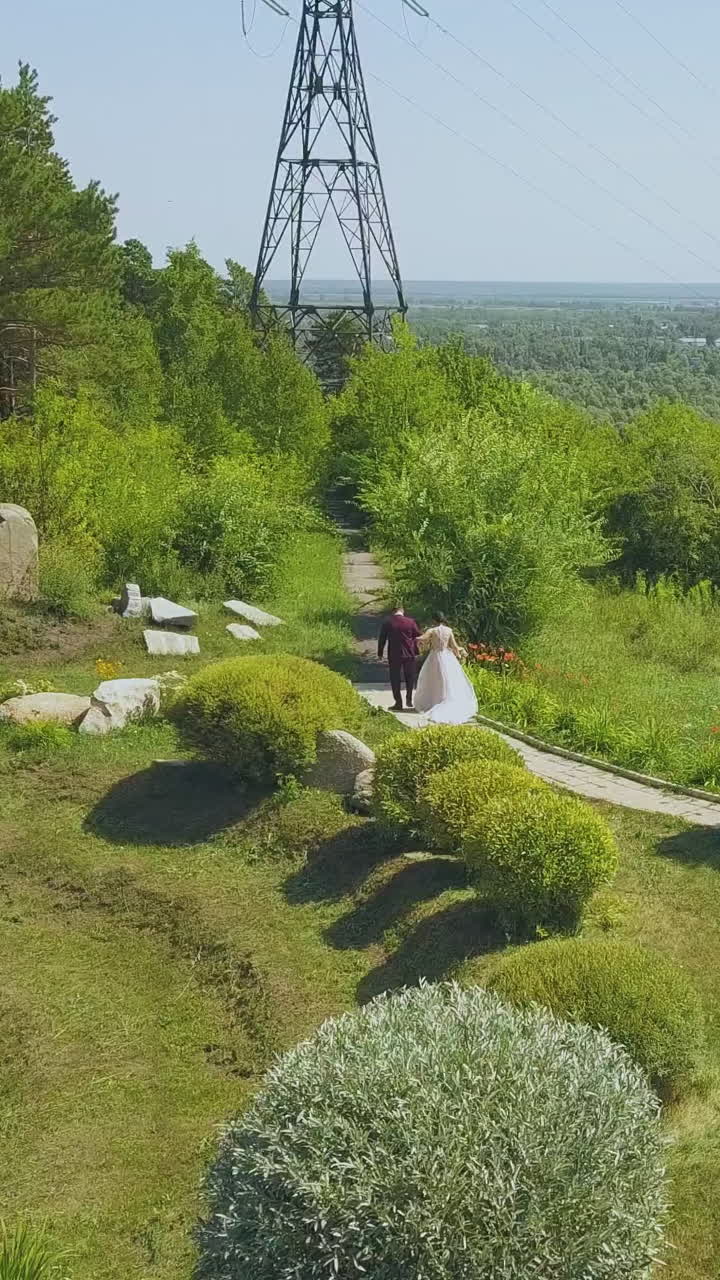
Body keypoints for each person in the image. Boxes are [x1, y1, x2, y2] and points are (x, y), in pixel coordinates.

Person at [414, 612, 478, 724]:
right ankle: (446, 699)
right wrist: (459, 654)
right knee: (448, 681)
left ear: (434, 620)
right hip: (447, 657)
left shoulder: (432, 630)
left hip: (434, 657)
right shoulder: (449, 630)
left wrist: (414, 638)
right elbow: (454, 646)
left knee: (432, 680)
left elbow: (422, 639)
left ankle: (435, 701)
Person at [378, 604, 421, 712]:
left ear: (393, 611)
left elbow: (382, 638)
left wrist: (380, 652)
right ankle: (409, 698)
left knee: (395, 678)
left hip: (394, 654)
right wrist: (417, 649)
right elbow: (418, 636)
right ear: (402, 611)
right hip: (409, 653)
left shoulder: (388, 622)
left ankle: (398, 703)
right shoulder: (411, 622)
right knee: (410, 677)